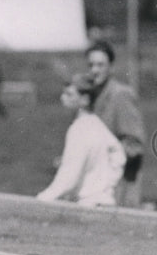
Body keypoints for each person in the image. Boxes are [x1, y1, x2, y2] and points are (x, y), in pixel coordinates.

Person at [36, 73, 125, 206]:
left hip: (87, 205)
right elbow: (119, 157)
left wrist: (41, 199)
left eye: (69, 94)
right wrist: (107, 187)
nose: (62, 98)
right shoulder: (98, 125)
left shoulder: (79, 129)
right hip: (104, 202)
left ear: (85, 100)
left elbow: (68, 178)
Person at [85, 40, 146, 208]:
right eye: (90, 65)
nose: (94, 70)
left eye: (100, 65)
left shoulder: (121, 95)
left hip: (120, 186)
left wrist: (98, 152)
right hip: (96, 185)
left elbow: (135, 146)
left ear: (111, 67)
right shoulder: (90, 97)